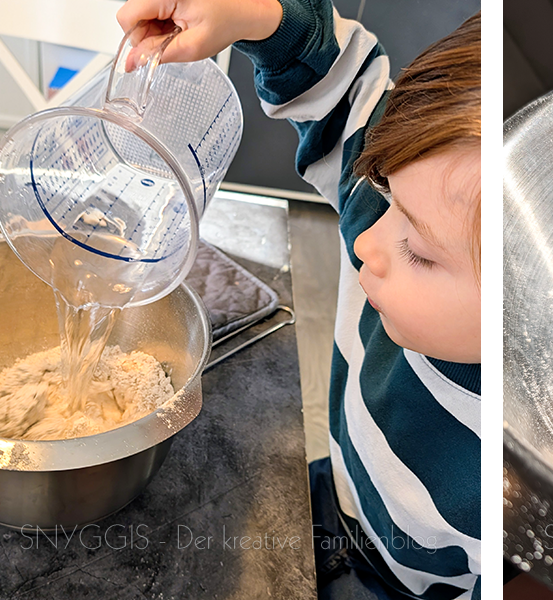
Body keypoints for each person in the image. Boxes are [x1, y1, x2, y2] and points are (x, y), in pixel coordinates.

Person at [116, 1, 481, 598]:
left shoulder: (501, 487)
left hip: (402, 584)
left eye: (417, 250)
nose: (364, 239)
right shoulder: (407, 202)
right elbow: (342, 85)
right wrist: (254, 14)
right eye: (384, 191)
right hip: (335, 485)